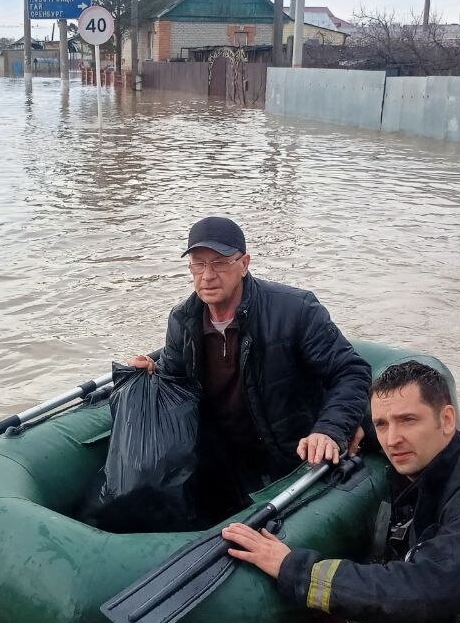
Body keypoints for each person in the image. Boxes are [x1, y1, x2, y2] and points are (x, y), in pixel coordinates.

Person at [222, 360, 460, 623]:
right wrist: (339, 428)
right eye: (381, 424)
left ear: (447, 419)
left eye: (408, 420)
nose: (392, 439)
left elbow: (415, 593)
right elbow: (379, 430)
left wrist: (294, 569)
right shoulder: (439, 454)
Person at [129, 216, 372, 520]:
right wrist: (152, 373)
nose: (207, 276)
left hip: (291, 454)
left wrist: (330, 429)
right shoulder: (182, 320)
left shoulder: (296, 310)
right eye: (198, 264)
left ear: (244, 264)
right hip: (225, 457)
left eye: (219, 263)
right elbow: (176, 382)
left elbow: (351, 371)